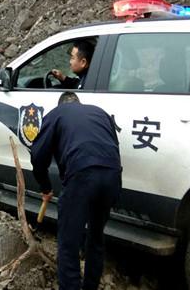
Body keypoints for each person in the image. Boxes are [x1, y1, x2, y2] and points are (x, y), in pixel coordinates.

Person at [30, 92, 122, 290]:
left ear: (61, 104)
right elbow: (114, 147)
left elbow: (38, 156)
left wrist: (45, 187)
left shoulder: (57, 114)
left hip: (83, 176)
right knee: (96, 238)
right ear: (79, 103)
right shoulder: (100, 113)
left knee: (68, 245)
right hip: (112, 176)